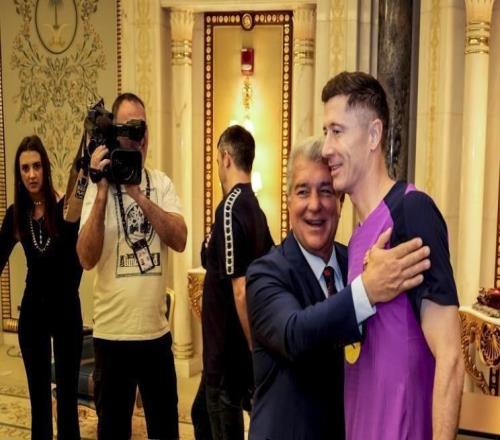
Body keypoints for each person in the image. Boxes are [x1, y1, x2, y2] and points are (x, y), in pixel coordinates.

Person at [246, 137, 431, 439]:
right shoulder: (265, 273)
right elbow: (294, 334)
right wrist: (366, 291)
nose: (315, 205)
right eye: (303, 191)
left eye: (326, 191)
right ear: (288, 201)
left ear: (341, 202)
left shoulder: (359, 261)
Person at [321, 71, 464, 440]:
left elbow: (450, 357)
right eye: (325, 132)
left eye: (337, 131)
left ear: (373, 135)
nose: (326, 148)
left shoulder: (411, 211)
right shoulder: (356, 238)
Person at [77, 92, 187, 440]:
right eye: (127, 128)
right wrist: (102, 192)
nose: (137, 136)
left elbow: (180, 239)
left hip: (155, 336)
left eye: (141, 128)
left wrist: (138, 193)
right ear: (114, 133)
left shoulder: (161, 183)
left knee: (165, 430)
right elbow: (86, 258)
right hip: (111, 338)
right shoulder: (98, 188)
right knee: (112, 432)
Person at [192, 125, 274, 440]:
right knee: (200, 414)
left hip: (225, 356)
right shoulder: (255, 209)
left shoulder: (230, 208)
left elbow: (241, 290)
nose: (217, 166)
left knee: (224, 427)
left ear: (226, 158)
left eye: (217, 159)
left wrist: (255, 348)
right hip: (227, 352)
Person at [0, 135, 84, 439]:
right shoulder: (16, 215)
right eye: (25, 168)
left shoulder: (66, 208)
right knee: (39, 402)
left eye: (36, 166)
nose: (31, 174)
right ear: (19, 173)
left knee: (67, 400)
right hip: (33, 312)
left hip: (66, 311)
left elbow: (79, 263)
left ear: (45, 168)